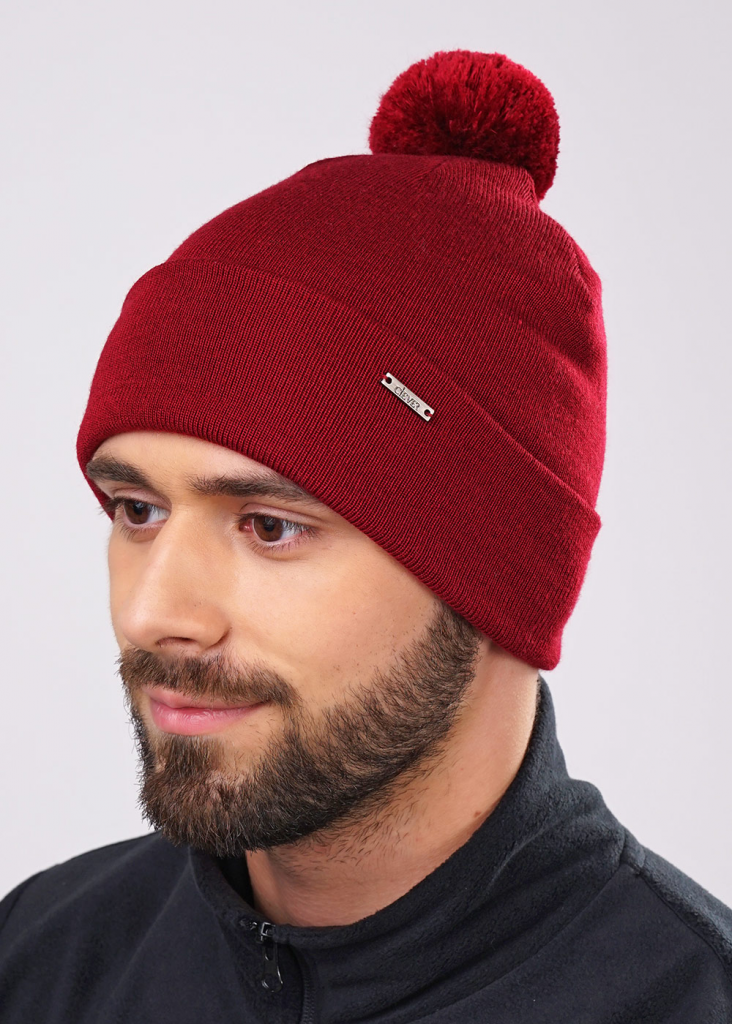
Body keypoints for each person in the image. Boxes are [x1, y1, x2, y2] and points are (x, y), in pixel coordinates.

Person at [1, 48, 730, 1023]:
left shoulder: (685, 999)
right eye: (138, 510)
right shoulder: (43, 957)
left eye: (269, 526)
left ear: (496, 576)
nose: (152, 613)